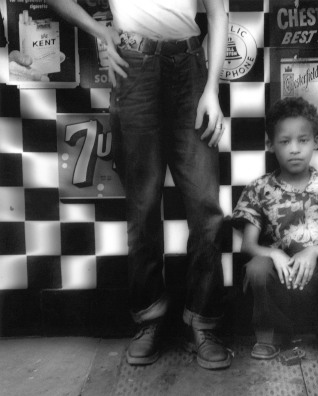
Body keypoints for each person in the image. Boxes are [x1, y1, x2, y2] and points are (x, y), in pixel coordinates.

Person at [47, 0, 231, 370]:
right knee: (143, 205)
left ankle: (202, 322)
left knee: (206, 207)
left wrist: (212, 88)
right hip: (135, 64)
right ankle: (149, 317)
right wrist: (100, 30)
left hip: (191, 66)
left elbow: (217, 12)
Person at [232, 97, 318, 360]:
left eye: (302, 140)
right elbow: (248, 245)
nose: (294, 149)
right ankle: (268, 337)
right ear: (271, 145)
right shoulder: (259, 188)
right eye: (285, 141)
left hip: (317, 282)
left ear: (315, 142)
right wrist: (274, 254)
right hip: (278, 283)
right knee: (256, 267)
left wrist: (313, 251)